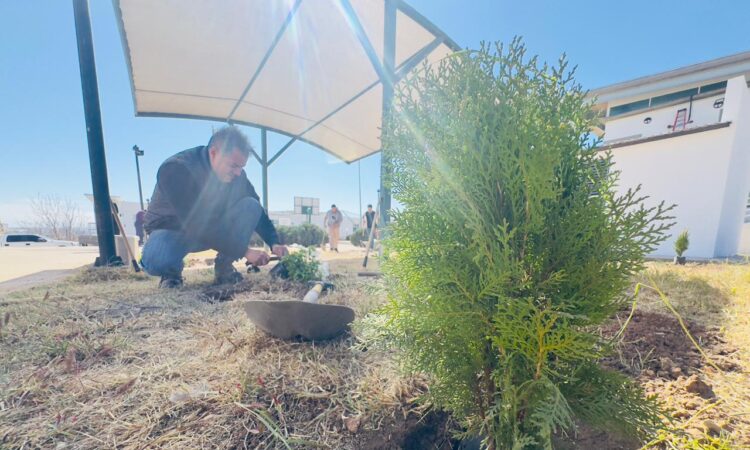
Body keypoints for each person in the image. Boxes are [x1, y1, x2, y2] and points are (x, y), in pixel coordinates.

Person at [140, 126, 288, 288]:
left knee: (251, 205)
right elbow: (195, 223)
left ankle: (224, 267)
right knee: (157, 260)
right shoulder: (176, 168)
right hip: (171, 230)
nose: (238, 173)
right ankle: (171, 273)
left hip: (213, 230)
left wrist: (274, 242)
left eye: (241, 167)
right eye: (233, 165)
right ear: (213, 153)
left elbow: (257, 211)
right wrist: (244, 251)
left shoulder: (237, 176)